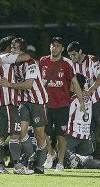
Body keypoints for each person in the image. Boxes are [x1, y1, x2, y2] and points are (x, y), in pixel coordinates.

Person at [0, 36, 33, 174]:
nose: (15, 49)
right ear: (9, 48)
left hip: (0, 102)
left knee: (1, 136)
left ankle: (0, 167)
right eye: (13, 46)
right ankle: (17, 167)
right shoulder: (7, 58)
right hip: (7, 102)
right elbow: (27, 56)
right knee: (15, 134)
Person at [0, 38, 49, 174]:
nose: (12, 50)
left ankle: (40, 165)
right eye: (11, 47)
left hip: (38, 101)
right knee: (21, 132)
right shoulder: (14, 64)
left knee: (40, 135)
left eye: (15, 48)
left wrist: (9, 85)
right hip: (23, 102)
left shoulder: (31, 63)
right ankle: (32, 157)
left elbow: (28, 84)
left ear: (22, 51)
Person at [39, 37, 87, 172]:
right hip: (46, 103)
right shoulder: (43, 61)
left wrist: (82, 103)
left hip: (62, 104)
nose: (54, 48)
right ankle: (50, 153)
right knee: (42, 131)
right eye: (52, 45)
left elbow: (76, 84)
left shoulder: (66, 64)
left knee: (61, 135)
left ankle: (60, 163)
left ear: (62, 48)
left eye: (57, 45)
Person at [66, 73, 94, 156]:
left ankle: (72, 158)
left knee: (60, 148)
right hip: (86, 135)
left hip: (73, 134)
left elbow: (66, 115)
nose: (70, 84)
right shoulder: (89, 98)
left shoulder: (74, 98)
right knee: (86, 159)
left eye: (71, 82)